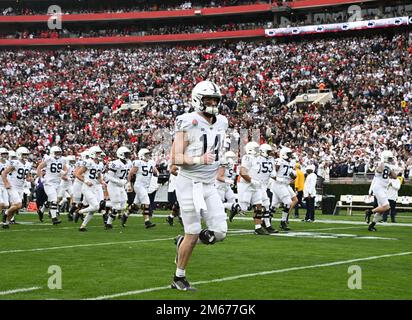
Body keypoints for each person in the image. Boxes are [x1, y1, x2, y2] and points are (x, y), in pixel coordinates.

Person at [171, 80, 228, 291]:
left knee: (220, 232)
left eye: (215, 99)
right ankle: (179, 277)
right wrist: (199, 159)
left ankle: (183, 243)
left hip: (209, 184)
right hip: (189, 183)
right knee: (193, 232)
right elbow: (176, 156)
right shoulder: (187, 121)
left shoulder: (222, 122)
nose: (213, 103)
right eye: (208, 99)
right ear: (197, 100)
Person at [238, 141, 268, 235]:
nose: (258, 150)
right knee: (243, 209)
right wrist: (252, 181)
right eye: (256, 149)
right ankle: (227, 206)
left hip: (255, 186)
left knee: (258, 205)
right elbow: (242, 172)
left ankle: (258, 227)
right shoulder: (247, 157)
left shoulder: (257, 159)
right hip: (246, 185)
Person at [365, 150, 398, 231]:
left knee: (381, 210)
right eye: (389, 158)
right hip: (378, 188)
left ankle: (371, 226)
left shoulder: (388, 166)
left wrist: (390, 168)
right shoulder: (380, 164)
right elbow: (379, 171)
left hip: (383, 189)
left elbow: (395, 177)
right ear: (385, 158)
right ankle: (369, 212)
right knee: (387, 206)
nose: (391, 160)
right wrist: (383, 163)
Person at [1, 147, 32, 229]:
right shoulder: (15, 163)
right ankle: (6, 213)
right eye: (24, 154)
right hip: (13, 186)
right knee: (18, 204)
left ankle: (5, 222)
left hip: (20, 187)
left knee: (15, 208)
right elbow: (4, 173)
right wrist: (6, 183)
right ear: (19, 154)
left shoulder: (28, 164)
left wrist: (30, 179)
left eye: (26, 154)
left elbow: (27, 176)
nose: (25, 156)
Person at [126, 148, 158, 228]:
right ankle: (147, 221)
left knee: (136, 205)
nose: (148, 156)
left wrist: (156, 173)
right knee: (146, 202)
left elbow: (155, 172)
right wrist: (129, 183)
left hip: (146, 186)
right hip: (139, 185)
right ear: (141, 155)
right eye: (146, 154)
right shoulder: (138, 162)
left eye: (148, 154)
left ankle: (125, 215)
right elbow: (130, 173)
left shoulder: (151, 162)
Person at [36, 146, 67, 225]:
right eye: (56, 152)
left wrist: (63, 173)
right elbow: (39, 168)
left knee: (53, 200)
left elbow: (65, 169)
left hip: (58, 183)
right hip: (49, 182)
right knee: (54, 200)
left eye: (59, 152)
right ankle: (54, 218)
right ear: (52, 153)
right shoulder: (49, 159)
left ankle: (41, 210)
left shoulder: (63, 159)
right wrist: (41, 178)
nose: (58, 154)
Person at [270, 146, 298, 231]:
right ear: (283, 154)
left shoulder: (289, 163)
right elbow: (273, 173)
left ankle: (266, 221)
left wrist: (293, 176)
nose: (290, 156)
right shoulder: (279, 161)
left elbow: (291, 175)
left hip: (285, 185)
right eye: (288, 154)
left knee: (274, 205)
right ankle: (283, 221)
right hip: (279, 184)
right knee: (288, 203)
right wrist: (279, 179)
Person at [105, 146, 132, 229]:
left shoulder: (129, 163)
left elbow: (127, 175)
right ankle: (108, 223)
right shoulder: (115, 163)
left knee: (123, 204)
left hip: (121, 185)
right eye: (126, 154)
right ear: (121, 154)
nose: (128, 156)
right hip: (113, 185)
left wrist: (127, 182)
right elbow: (108, 176)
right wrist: (119, 181)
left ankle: (105, 204)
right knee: (116, 206)